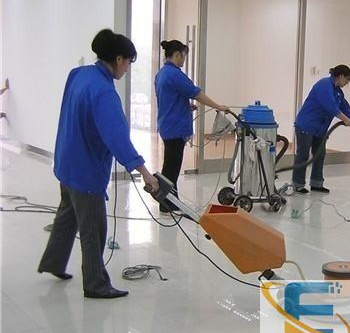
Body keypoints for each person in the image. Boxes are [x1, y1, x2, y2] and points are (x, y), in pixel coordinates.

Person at [38, 29, 159, 299]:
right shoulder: (104, 92)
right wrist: (144, 172)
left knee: (67, 216)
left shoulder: (79, 74)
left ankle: (53, 262)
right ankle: (95, 284)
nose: (128, 68)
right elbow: (117, 138)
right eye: (129, 62)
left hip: (67, 161)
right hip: (85, 171)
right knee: (93, 229)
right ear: (118, 59)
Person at [155, 40, 229, 213]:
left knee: (170, 166)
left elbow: (168, 99)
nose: (184, 60)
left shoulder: (161, 74)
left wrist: (185, 106)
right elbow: (196, 93)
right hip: (175, 128)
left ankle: (170, 202)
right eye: (183, 56)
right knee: (171, 168)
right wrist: (218, 106)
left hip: (167, 125)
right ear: (177, 55)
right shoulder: (175, 74)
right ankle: (167, 204)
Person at [292, 64, 350, 194]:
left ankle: (316, 184)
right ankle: (297, 184)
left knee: (319, 155)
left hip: (320, 128)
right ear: (341, 76)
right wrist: (344, 119)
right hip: (307, 125)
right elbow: (330, 106)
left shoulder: (338, 92)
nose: (346, 83)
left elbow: (345, 107)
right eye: (347, 80)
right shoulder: (324, 85)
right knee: (303, 155)